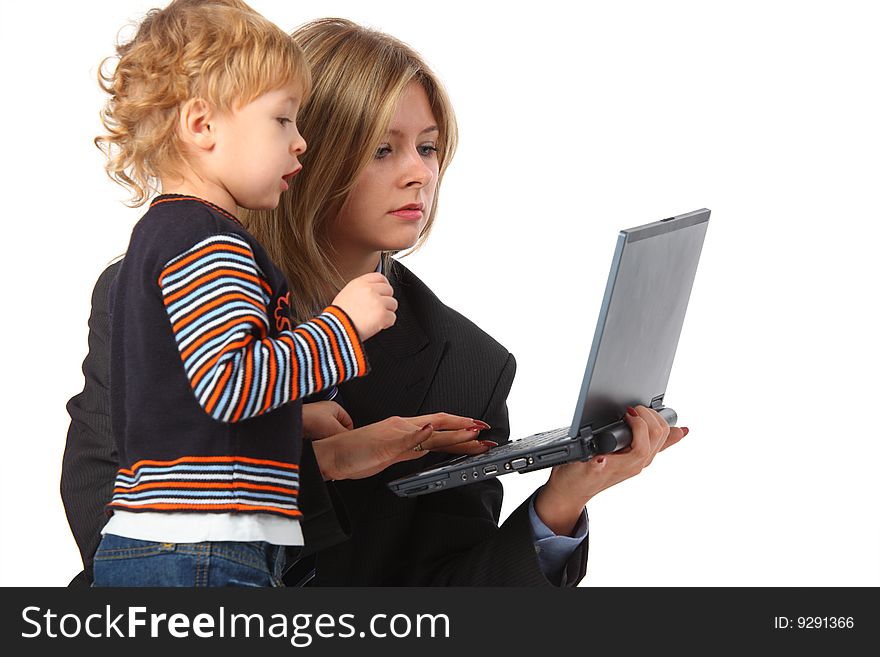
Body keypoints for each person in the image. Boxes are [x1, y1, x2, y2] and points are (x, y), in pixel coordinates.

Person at [63, 17, 689, 587]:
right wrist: (326, 462)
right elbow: (115, 530)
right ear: (299, 149)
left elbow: (443, 606)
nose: (419, 173)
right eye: (383, 149)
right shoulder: (156, 285)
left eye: (428, 146)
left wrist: (562, 502)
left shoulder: (467, 365)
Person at [86, 0, 406, 587]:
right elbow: (230, 383)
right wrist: (343, 326)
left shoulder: (163, 235)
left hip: (165, 541)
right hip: (206, 548)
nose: (301, 143)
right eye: (283, 120)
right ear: (202, 125)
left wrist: (292, 416)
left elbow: (177, 400)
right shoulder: (212, 240)